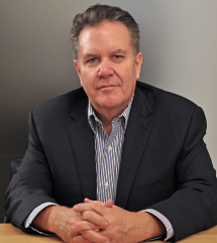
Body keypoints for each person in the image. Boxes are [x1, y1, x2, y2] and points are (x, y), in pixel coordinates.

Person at [5, 4, 217, 243]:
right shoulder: (47, 120)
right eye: (92, 59)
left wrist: (143, 225)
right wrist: (61, 220)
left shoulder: (182, 118)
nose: (105, 70)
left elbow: (206, 193)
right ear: (79, 70)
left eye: (117, 57)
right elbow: (20, 192)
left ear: (136, 65)